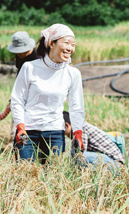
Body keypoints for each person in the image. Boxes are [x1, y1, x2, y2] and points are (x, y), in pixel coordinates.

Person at [11, 23, 85, 164]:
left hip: (55, 131)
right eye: (66, 43)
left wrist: (78, 133)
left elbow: (76, 107)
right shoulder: (30, 67)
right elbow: (17, 100)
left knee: (52, 176)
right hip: (28, 131)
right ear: (51, 43)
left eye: (73, 45)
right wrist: (20, 126)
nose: (70, 48)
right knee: (25, 175)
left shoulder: (73, 73)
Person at [6, 31, 38, 142]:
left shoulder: (38, 57)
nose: (18, 53)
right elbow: (19, 76)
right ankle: (17, 147)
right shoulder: (19, 56)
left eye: (20, 51)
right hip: (21, 95)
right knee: (17, 123)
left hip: (35, 97)